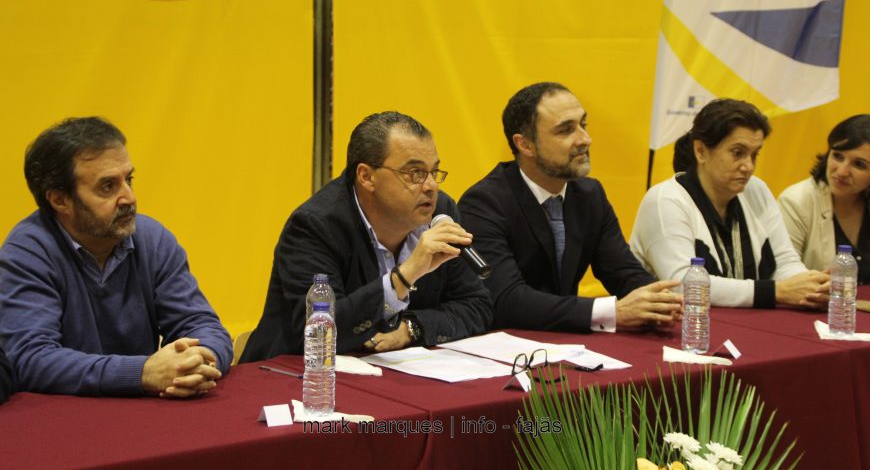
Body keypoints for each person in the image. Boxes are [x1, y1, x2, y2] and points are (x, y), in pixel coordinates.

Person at [0, 117, 232, 397]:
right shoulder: (28, 251)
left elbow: (203, 325)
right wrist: (143, 373)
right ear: (60, 200)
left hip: (145, 416)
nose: (129, 197)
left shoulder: (152, 239)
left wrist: (198, 361)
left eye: (129, 179)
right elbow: (30, 359)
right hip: (64, 422)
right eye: (108, 186)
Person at [240, 111, 491, 361]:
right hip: (291, 378)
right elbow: (320, 332)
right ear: (366, 176)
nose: (431, 186)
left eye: (433, 172)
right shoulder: (316, 226)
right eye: (414, 173)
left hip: (393, 375)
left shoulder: (440, 211)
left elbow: (476, 306)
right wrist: (405, 276)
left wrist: (411, 329)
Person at [458, 83, 682, 333]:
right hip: (505, 349)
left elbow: (622, 271)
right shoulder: (483, 203)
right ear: (525, 145)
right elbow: (506, 300)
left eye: (583, 125)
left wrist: (657, 301)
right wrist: (612, 313)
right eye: (566, 130)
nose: (585, 139)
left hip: (569, 343)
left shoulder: (590, 194)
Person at [630, 99, 829, 308]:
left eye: (754, 154)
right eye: (737, 153)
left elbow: (784, 262)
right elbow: (683, 284)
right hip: (680, 331)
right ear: (701, 151)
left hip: (747, 325)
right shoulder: (665, 200)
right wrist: (776, 291)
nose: (748, 166)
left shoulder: (756, 190)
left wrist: (812, 286)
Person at [779, 115, 870, 284]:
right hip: (818, 307)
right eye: (837, 156)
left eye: (859, 164)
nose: (842, 171)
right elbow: (784, 275)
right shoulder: (796, 201)